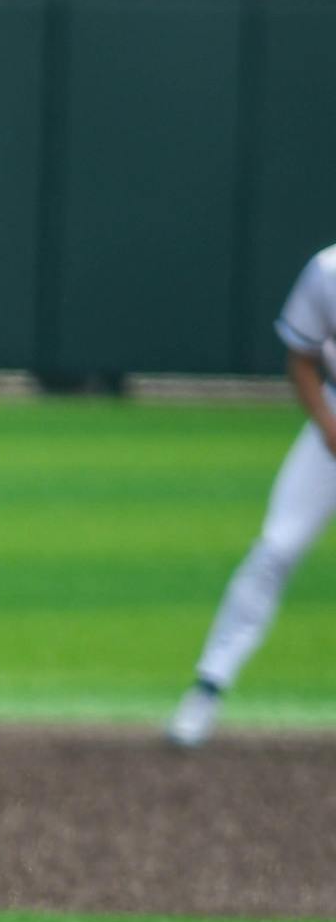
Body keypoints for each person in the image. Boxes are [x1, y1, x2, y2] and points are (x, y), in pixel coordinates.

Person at [168, 242, 336, 747]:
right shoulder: (328, 271)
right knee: (276, 547)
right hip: (334, 422)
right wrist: (327, 426)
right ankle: (207, 687)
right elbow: (301, 359)